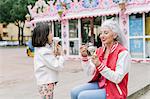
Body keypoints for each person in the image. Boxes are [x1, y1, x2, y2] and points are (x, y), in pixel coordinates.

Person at [70, 19, 131, 99]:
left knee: (83, 96)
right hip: (100, 83)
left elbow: (117, 78)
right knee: (74, 92)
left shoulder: (123, 53)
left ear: (115, 35)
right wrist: (85, 57)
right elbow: (90, 72)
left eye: (106, 33)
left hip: (115, 89)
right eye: (101, 33)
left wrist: (99, 65)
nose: (102, 36)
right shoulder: (100, 50)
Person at [32, 23, 64, 99]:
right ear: (44, 36)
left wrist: (55, 53)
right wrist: (61, 55)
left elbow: (50, 60)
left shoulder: (41, 49)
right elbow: (57, 66)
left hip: (44, 82)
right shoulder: (44, 51)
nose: (52, 34)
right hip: (46, 82)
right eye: (50, 32)